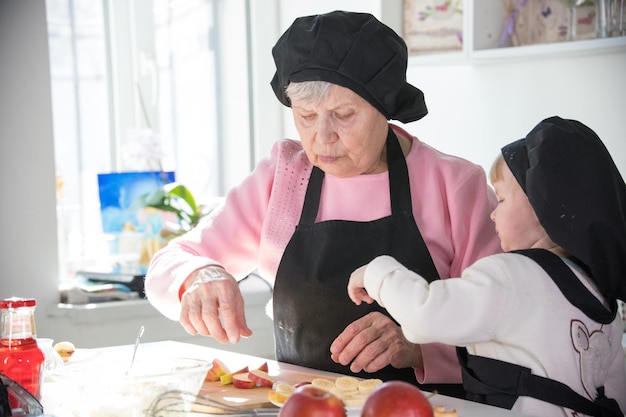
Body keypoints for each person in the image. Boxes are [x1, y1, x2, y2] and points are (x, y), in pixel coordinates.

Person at [144, 10, 501, 395]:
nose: (322, 137)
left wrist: (420, 348)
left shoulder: (454, 185)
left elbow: (505, 327)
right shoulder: (282, 179)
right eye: (307, 116)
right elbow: (170, 262)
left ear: (385, 106)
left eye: (344, 115)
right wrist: (199, 275)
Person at [347, 116, 626, 417]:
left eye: (502, 199)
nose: (493, 214)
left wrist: (378, 273)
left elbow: (427, 313)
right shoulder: (601, 296)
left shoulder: (512, 276)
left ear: (540, 209)